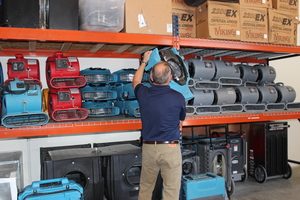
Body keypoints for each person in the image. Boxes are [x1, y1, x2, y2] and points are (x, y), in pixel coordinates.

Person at [133, 50, 186, 200]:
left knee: (145, 189)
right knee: (171, 191)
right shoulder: (179, 98)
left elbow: (136, 81)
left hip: (149, 148)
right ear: (170, 77)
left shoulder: (144, 94)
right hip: (170, 148)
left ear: (150, 77)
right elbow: (180, 121)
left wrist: (144, 61)